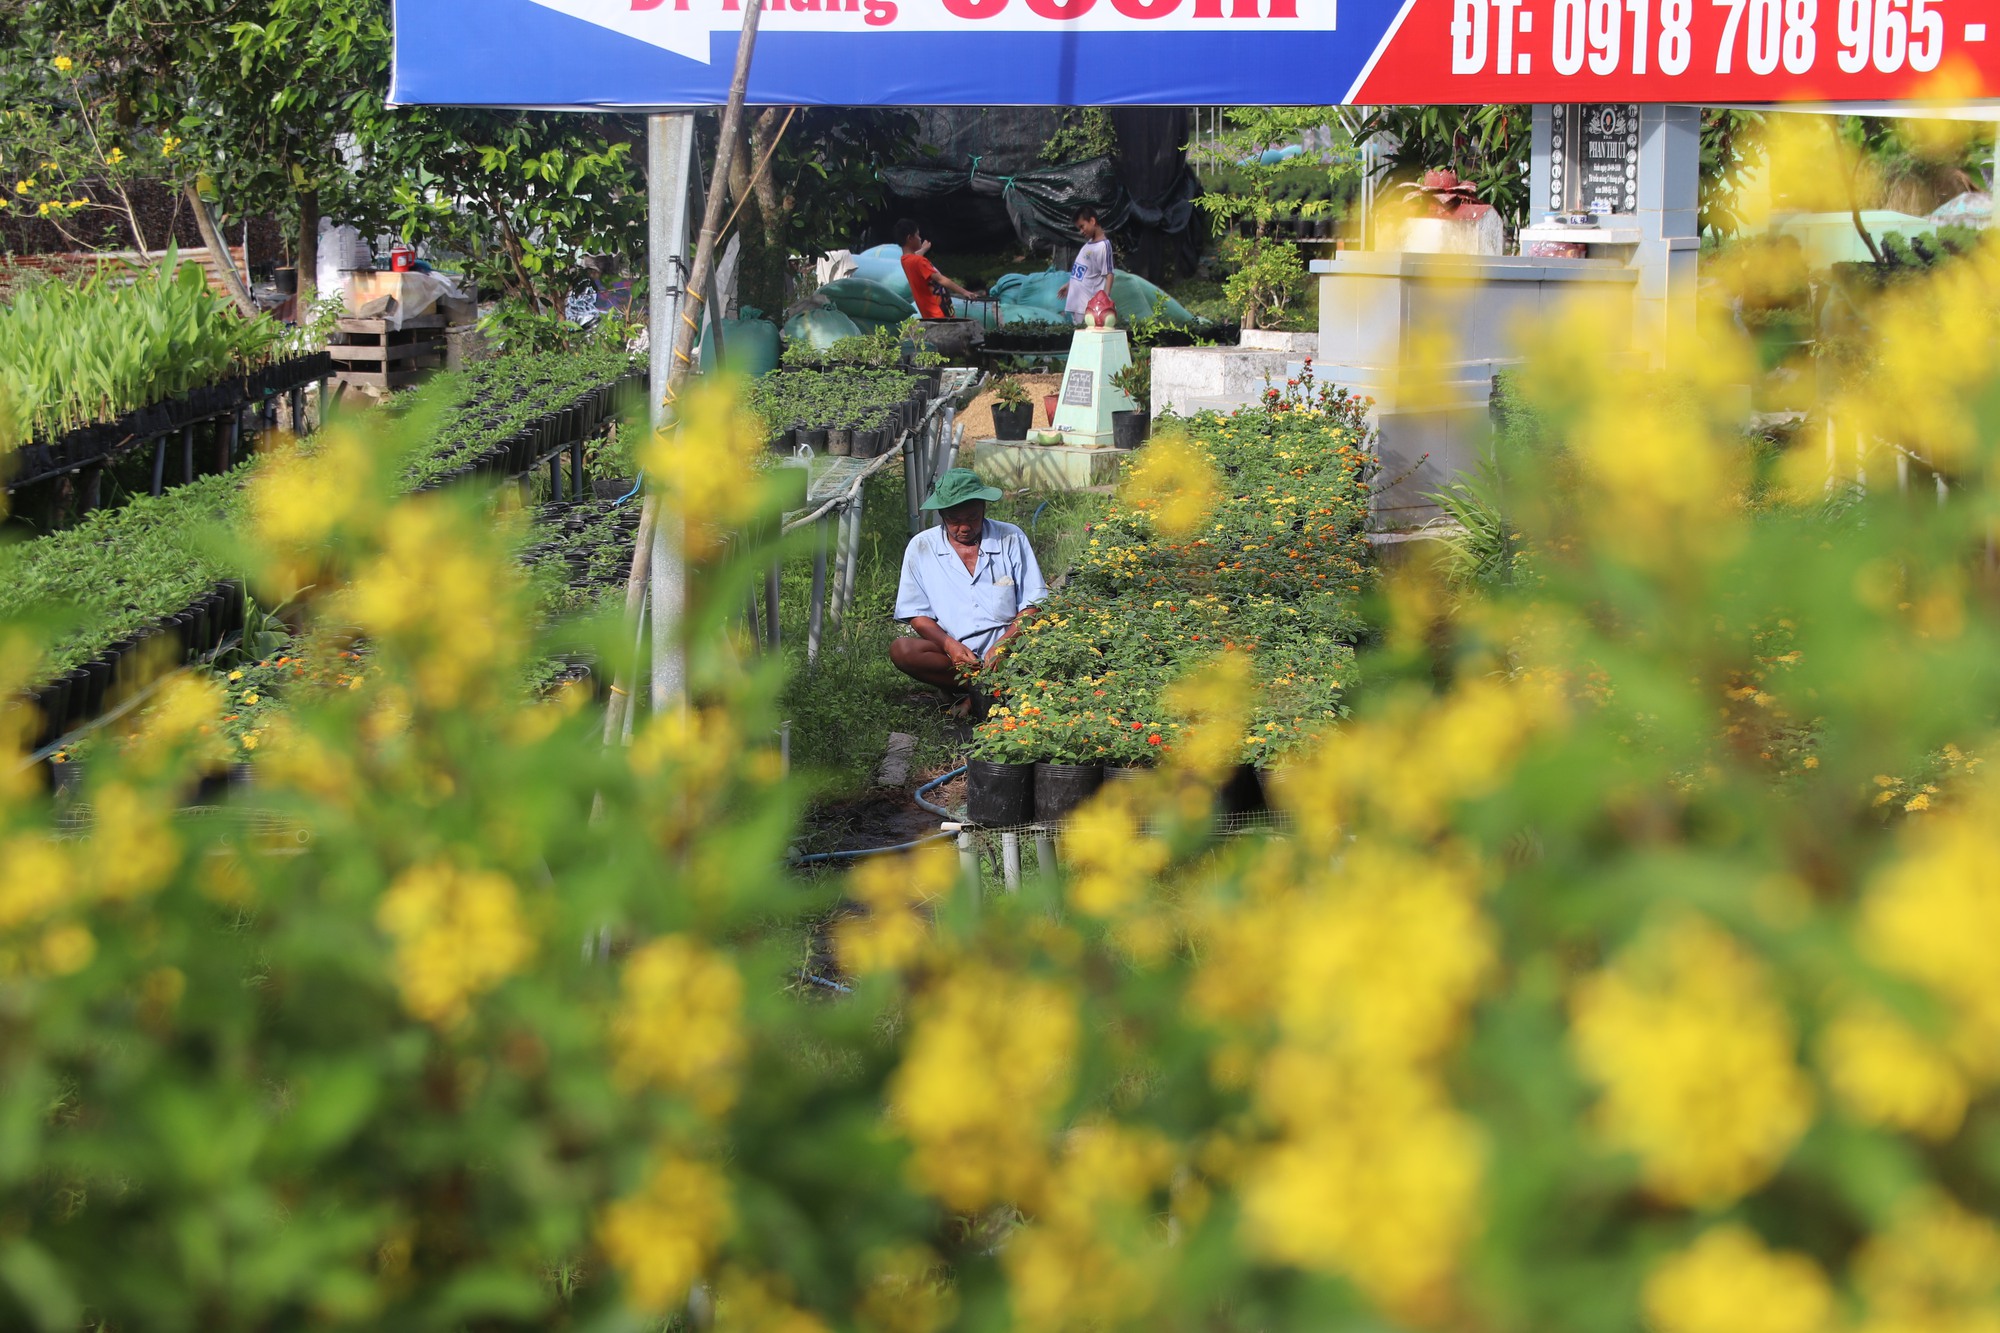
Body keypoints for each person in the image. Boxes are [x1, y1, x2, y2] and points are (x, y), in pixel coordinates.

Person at [890, 467, 1048, 713]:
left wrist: (1004, 645)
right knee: (903, 650)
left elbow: (1033, 604)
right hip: (956, 656)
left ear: (984, 509)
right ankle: (980, 691)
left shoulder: (1010, 538)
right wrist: (949, 645)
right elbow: (916, 614)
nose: (964, 528)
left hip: (1013, 648)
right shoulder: (921, 547)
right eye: (955, 520)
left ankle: (977, 696)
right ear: (942, 515)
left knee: (1048, 648)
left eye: (972, 518)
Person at [896, 218, 984, 322]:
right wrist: (965, 292)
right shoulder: (919, 261)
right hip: (940, 312)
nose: (920, 238)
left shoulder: (905, 260)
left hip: (930, 315)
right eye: (918, 235)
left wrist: (923, 249)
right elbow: (941, 279)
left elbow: (914, 258)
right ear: (910, 238)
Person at [1060, 205, 1114, 325]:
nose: (1081, 231)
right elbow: (1085, 271)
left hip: (1087, 308)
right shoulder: (1089, 243)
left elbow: (1109, 273)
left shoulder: (1103, 246)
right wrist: (1069, 285)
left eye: (1082, 226)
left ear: (1092, 221)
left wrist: (1105, 301)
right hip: (1077, 306)